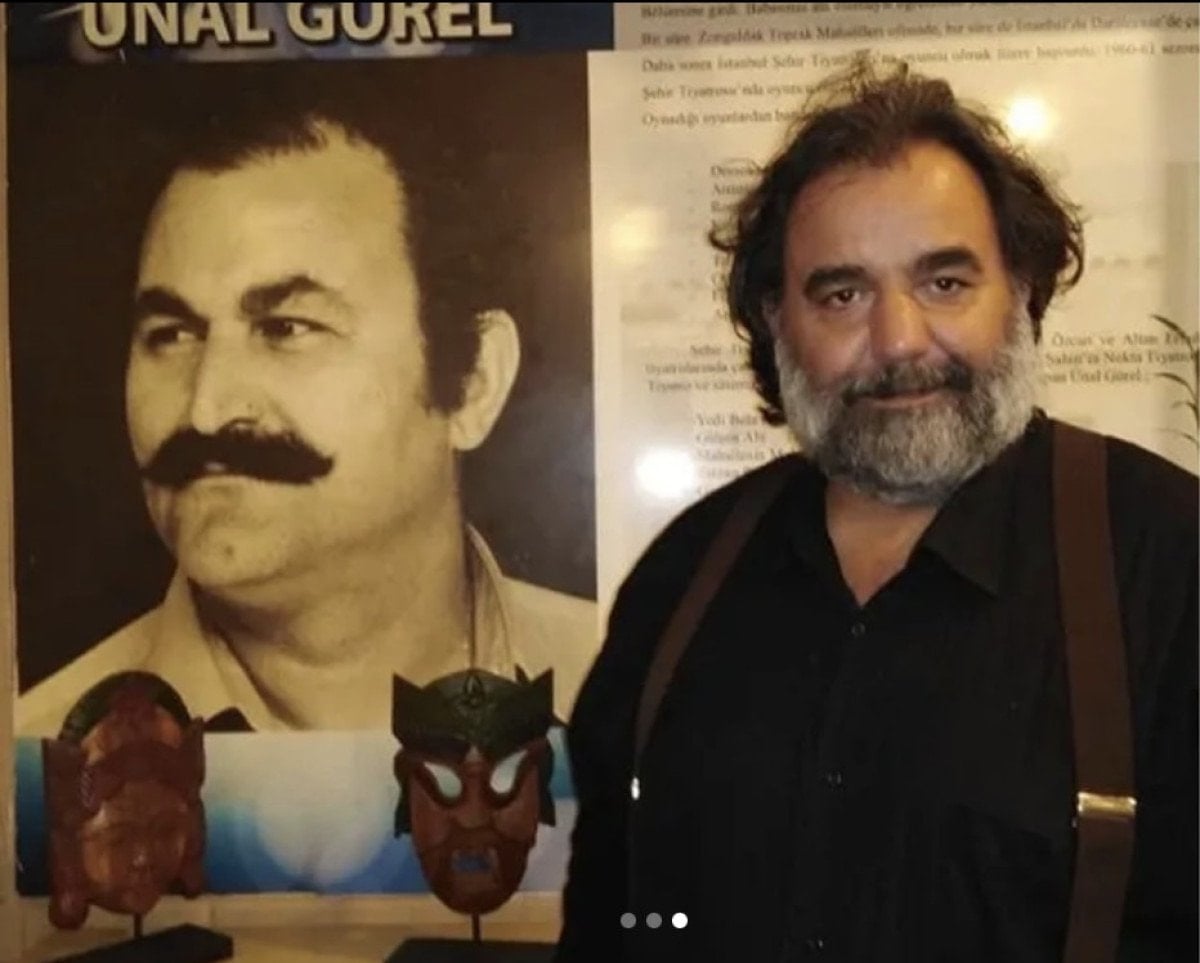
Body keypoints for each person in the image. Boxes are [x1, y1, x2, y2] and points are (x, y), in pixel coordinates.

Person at [558, 59, 1197, 962]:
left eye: (945, 283)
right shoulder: (685, 576)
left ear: (1020, 290)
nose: (898, 340)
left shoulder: (1172, 562)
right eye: (843, 294)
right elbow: (614, 918)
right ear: (777, 321)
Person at [18, 81, 596, 736]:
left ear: (473, 381)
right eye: (172, 335)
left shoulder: (625, 699)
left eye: (287, 328)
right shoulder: (38, 759)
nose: (205, 410)